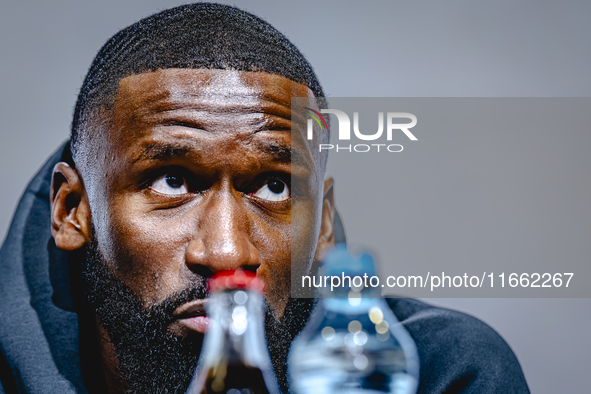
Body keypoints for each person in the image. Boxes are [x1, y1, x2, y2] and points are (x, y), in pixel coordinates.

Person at [0, 3, 529, 394]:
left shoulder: (442, 374)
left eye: (274, 188)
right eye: (172, 182)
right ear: (73, 211)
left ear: (322, 222)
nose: (228, 254)